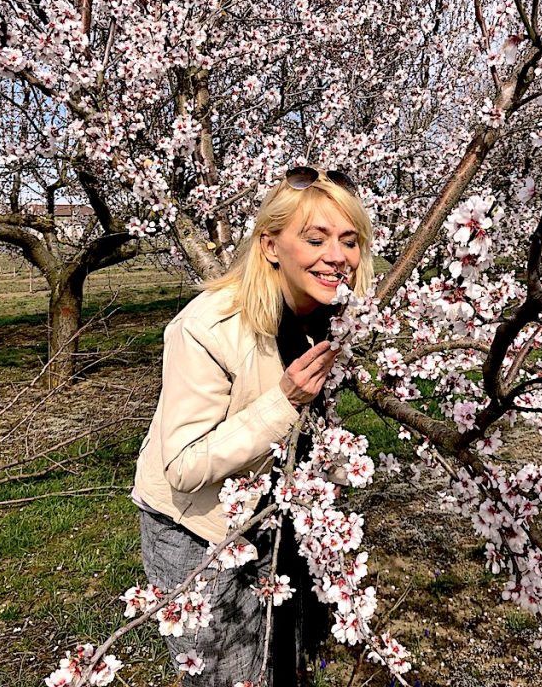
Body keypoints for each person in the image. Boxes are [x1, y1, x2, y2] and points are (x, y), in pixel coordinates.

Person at [132, 166, 374, 686]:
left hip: (276, 513)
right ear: (269, 245)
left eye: (350, 241)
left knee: (286, 657)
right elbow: (183, 465)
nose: (338, 256)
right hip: (196, 528)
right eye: (316, 238)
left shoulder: (331, 314)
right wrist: (282, 401)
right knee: (231, 673)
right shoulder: (206, 327)